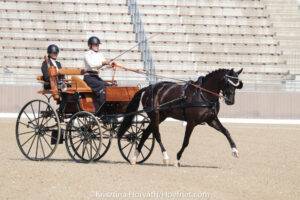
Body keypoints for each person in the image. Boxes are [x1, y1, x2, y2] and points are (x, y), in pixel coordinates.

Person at [83, 36, 117, 113]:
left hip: (96, 77)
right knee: (102, 87)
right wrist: (103, 62)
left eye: (98, 45)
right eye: (95, 45)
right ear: (90, 45)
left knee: (109, 87)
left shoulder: (100, 54)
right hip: (89, 77)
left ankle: (110, 110)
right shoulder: (87, 54)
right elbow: (92, 65)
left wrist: (110, 65)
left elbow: (102, 66)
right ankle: (99, 111)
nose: (97, 46)